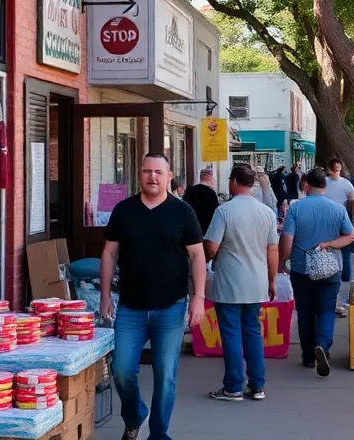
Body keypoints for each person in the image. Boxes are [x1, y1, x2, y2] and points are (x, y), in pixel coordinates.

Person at [101, 154, 207, 440]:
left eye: (158, 172)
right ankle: (135, 414)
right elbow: (110, 252)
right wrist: (104, 296)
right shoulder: (124, 210)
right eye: (147, 171)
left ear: (169, 176)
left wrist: (199, 298)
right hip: (130, 307)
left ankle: (159, 434)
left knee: (165, 374)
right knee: (121, 370)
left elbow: (198, 255)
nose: (152, 177)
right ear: (139, 174)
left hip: (170, 307)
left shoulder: (182, 212)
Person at [203, 165, 279, 403]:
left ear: (234, 182)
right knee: (253, 332)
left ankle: (233, 386)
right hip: (257, 282)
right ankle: (257, 385)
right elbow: (272, 249)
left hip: (230, 282)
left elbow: (212, 247)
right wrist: (272, 279)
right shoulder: (267, 212)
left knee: (231, 334)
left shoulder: (224, 211)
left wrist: (204, 257)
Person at [279, 167, 354, 377]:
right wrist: (329, 243)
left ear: (307, 186)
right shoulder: (338, 209)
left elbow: (287, 240)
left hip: (301, 267)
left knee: (305, 311)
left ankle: (308, 356)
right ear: (324, 186)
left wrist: (282, 261)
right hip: (330, 267)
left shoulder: (296, 208)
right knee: (326, 309)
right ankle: (322, 344)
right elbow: (351, 236)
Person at [323, 158, 354, 316]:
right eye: (334, 170)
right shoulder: (324, 183)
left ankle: (343, 280)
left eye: (339, 169)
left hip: (342, 224)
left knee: (344, 255)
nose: (337, 172)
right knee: (328, 252)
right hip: (326, 224)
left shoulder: (346, 184)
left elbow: (353, 200)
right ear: (329, 170)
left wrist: (352, 218)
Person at [184, 167, 220, 234]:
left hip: (190, 227)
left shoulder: (190, 190)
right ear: (209, 178)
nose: (213, 181)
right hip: (205, 229)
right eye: (213, 179)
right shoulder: (211, 193)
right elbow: (216, 213)